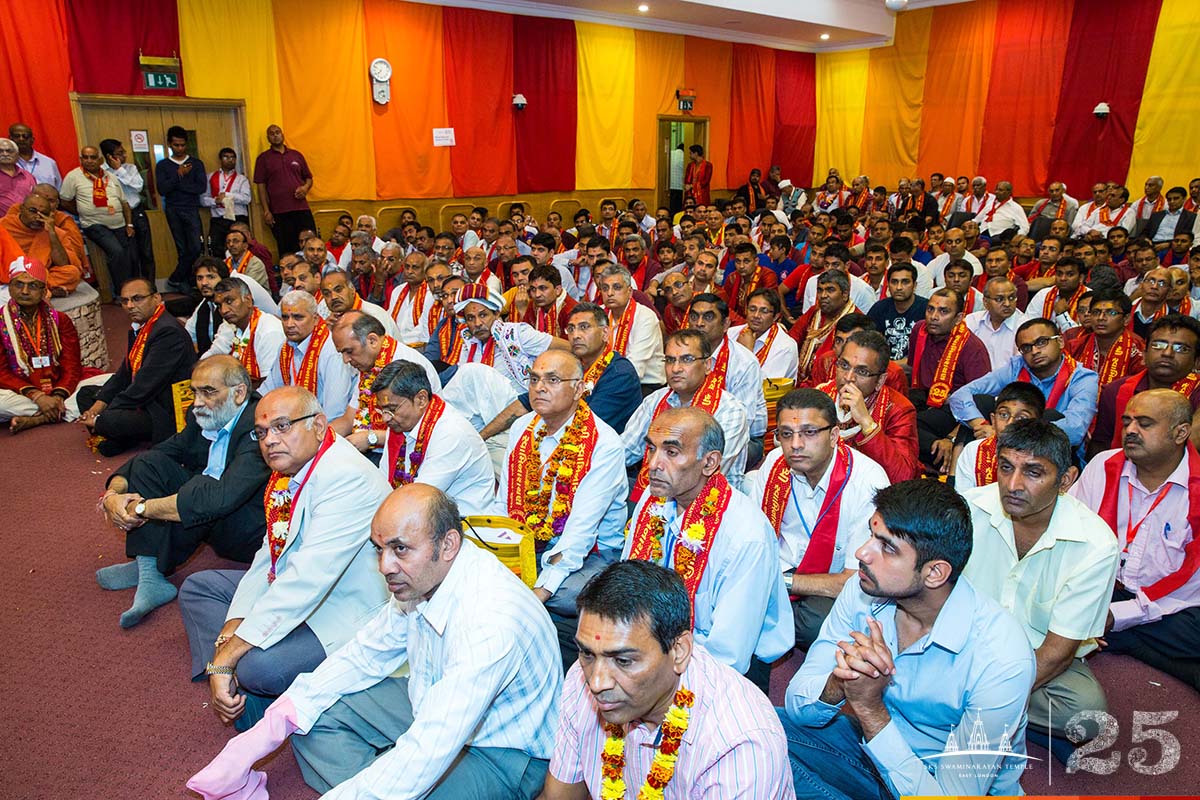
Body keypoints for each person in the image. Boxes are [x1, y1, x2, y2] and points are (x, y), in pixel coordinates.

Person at [187, 484, 561, 800]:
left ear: (448, 545)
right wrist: (268, 729)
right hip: (429, 702)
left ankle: (388, 779)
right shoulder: (425, 575)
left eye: (399, 549)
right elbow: (363, 656)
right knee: (312, 720)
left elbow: (433, 743)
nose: (384, 566)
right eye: (379, 549)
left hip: (502, 752)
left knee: (412, 770)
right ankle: (386, 779)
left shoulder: (490, 620)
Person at [780, 479, 1035, 798]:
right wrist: (838, 683)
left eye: (887, 547)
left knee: (772, 776)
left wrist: (870, 708)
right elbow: (797, 708)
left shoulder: (1002, 656)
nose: (862, 552)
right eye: (872, 535)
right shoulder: (862, 595)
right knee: (761, 729)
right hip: (869, 750)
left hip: (937, 782)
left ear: (934, 573)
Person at [178, 385, 392, 732]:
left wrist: (229, 656)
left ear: (319, 426)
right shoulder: (289, 472)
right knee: (198, 588)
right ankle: (242, 688)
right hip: (295, 587)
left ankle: (241, 690)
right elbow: (269, 555)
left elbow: (306, 581)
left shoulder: (345, 477)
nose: (269, 441)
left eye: (282, 426)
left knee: (257, 668)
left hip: (340, 608)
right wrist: (232, 632)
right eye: (261, 432)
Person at [542, 560, 794, 799]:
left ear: (679, 651)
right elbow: (559, 795)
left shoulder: (738, 745)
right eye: (587, 653)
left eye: (623, 661)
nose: (596, 683)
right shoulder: (580, 678)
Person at [961, 420, 1118, 746]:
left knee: (1087, 717)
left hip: (1035, 657)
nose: (1012, 484)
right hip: (960, 644)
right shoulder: (966, 509)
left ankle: (961, 700)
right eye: (1005, 467)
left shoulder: (1096, 543)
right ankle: (996, 711)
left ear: (1065, 480)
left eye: (1033, 473)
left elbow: (1057, 655)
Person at [623, 406, 793, 685]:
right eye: (651, 449)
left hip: (725, 671)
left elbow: (729, 657)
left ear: (710, 463)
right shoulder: (653, 501)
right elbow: (629, 583)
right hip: (654, 644)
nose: (653, 464)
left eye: (671, 452)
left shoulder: (746, 535)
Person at [96, 355, 269, 628]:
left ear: (239, 393)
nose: (198, 402)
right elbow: (166, 449)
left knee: (201, 486)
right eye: (195, 391)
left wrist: (139, 509)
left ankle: (151, 567)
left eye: (208, 392)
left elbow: (222, 497)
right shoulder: (205, 412)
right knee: (148, 463)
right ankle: (149, 566)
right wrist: (113, 494)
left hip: (248, 528)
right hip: (212, 506)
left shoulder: (260, 426)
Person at [1071, 389, 1200, 689]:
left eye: (1144, 423)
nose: (1130, 430)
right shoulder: (1104, 466)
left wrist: (1116, 616)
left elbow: (1191, 584)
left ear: (1180, 432)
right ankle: (1139, 646)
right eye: (1127, 421)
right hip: (1106, 588)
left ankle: (1119, 638)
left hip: (1175, 605)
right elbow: (1071, 534)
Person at [750, 389, 890, 654]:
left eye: (809, 432)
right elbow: (755, 536)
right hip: (777, 571)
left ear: (834, 435)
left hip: (829, 587)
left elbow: (854, 579)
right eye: (786, 434)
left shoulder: (866, 481)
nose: (796, 444)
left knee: (818, 624)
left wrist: (780, 582)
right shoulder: (773, 465)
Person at [495, 350, 628, 619]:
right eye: (534, 379)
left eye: (552, 380)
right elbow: (504, 503)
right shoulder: (523, 428)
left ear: (578, 389)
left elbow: (581, 529)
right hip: (530, 540)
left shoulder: (604, 444)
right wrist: (496, 549)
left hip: (591, 552)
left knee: (567, 595)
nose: (540, 388)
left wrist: (541, 591)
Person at [77, 278, 197, 455]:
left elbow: (144, 386)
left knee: (109, 418)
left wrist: (105, 414)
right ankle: (121, 436)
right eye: (124, 301)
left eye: (137, 298)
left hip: (164, 409)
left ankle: (116, 434)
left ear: (156, 298)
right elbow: (124, 374)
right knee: (86, 395)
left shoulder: (167, 332)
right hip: (145, 398)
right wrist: (97, 407)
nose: (130, 305)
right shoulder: (142, 327)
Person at [624, 330, 751, 496]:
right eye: (670, 360)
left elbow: (704, 473)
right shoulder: (656, 400)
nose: (676, 368)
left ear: (707, 365)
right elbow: (625, 450)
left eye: (687, 359)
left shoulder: (729, 411)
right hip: (654, 489)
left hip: (710, 503)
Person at [950, 317, 1099, 448]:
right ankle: (955, 477)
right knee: (980, 403)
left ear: (1060, 341)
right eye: (1026, 348)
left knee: (1051, 416)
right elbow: (961, 395)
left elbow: (1075, 430)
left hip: (1053, 452)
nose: (1034, 351)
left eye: (1041, 342)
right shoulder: (1016, 367)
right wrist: (981, 425)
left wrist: (1005, 433)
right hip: (1005, 447)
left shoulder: (1083, 378)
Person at [368, 360, 493, 515]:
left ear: (421, 399)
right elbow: (384, 482)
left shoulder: (451, 432)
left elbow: (418, 500)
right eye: (382, 410)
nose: (385, 418)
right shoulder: (399, 424)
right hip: (422, 515)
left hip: (464, 524)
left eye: (392, 409)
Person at [328, 311, 440, 461]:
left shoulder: (406, 365)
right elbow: (349, 419)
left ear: (372, 340)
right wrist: (318, 436)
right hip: (376, 450)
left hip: (409, 453)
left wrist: (371, 438)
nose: (346, 360)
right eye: (342, 353)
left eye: (349, 351)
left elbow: (420, 431)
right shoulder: (369, 365)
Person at [814, 330, 919, 483]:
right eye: (844, 365)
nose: (848, 378)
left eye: (862, 371)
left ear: (880, 381)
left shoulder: (898, 409)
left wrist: (866, 422)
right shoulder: (821, 396)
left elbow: (902, 477)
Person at [1090, 314, 1200, 458]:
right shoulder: (1115, 390)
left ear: (1197, 361)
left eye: (1181, 348)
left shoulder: (1197, 391)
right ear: (1144, 353)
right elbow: (1101, 446)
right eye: (1158, 345)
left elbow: (1190, 446)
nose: (1167, 353)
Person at [907, 289, 990, 473]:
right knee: (894, 417)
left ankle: (944, 457)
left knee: (910, 426)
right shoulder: (919, 331)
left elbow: (981, 402)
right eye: (930, 309)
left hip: (957, 409)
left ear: (959, 318)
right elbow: (911, 367)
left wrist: (952, 438)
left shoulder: (972, 348)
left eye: (943, 311)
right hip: (924, 397)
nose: (934, 317)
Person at [0, 257, 83, 431]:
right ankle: (58, 411)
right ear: (10, 287)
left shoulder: (60, 320)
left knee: (109, 383)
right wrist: (37, 396)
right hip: (19, 391)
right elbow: (1, 372)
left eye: (32, 286)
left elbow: (72, 364)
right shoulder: (1, 321)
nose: (24, 291)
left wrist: (59, 394)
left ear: (44, 291)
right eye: (18, 284)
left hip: (58, 385)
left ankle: (39, 418)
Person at [259, 290, 356, 419]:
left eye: (298, 317)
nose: (289, 324)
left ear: (315, 319)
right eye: (285, 317)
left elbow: (335, 412)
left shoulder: (331, 350)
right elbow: (269, 389)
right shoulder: (286, 347)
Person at [59, 146, 135, 294]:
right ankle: (121, 293)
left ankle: (131, 289)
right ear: (81, 159)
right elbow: (64, 201)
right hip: (94, 224)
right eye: (85, 157)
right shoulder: (73, 176)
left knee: (129, 255)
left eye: (93, 157)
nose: (89, 161)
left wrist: (129, 224)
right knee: (117, 251)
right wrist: (84, 212)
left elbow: (125, 203)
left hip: (118, 223)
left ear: (100, 160)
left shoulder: (110, 176)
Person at [954, 381, 1045, 494]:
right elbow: (964, 499)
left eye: (1021, 418)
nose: (1010, 423)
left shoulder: (1044, 456)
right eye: (1003, 415)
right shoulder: (974, 450)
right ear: (993, 419)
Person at [201, 278, 285, 390]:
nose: (224, 310)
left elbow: (270, 385)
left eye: (229, 301)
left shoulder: (269, 331)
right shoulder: (236, 328)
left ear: (248, 300)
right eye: (219, 305)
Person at [597, 264, 665, 390]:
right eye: (605, 288)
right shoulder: (598, 315)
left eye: (616, 287)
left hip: (643, 385)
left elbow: (635, 368)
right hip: (603, 380)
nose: (610, 293)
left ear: (629, 292)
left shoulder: (645, 317)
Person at [156, 125, 207, 293]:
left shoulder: (196, 164)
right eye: (176, 145)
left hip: (191, 209)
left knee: (195, 247)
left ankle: (175, 278)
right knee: (182, 248)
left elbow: (200, 188)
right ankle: (185, 281)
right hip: (173, 210)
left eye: (182, 145)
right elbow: (162, 189)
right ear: (169, 144)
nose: (180, 148)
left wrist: (177, 184)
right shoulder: (163, 165)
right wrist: (179, 175)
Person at [0, 192, 83, 296]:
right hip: (9, 274)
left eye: (44, 214)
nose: (38, 217)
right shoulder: (4, 225)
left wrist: (52, 233)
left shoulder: (55, 232)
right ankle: (41, 290)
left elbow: (63, 263)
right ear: (21, 209)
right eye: (32, 211)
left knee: (72, 273)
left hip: (39, 275)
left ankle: (35, 289)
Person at [253, 125, 315, 258]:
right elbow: (261, 186)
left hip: (301, 208)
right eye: (271, 134)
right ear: (268, 138)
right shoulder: (263, 159)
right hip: (279, 212)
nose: (275, 135)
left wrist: (305, 188)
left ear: (282, 134)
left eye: (277, 132)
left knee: (310, 243)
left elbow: (309, 178)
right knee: (286, 247)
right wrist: (266, 210)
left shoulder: (296, 155)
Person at [1064, 287, 1144, 386]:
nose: (1101, 318)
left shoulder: (1137, 351)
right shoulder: (1075, 347)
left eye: (1111, 313)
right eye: (1096, 312)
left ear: (1126, 319)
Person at [791, 270, 858, 384]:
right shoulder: (814, 312)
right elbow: (792, 339)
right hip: (802, 380)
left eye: (830, 290)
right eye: (820, 290)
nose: (823, 296)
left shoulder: (855, 322)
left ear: (845, 294)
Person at [100, 138, 154, 276]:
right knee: (131, 255)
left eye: (123, 152)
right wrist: (116, 171)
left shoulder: (131, 168)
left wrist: (120, 170)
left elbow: (138, 186)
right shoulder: (101, 172)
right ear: (109, 156)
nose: (124, 155)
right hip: (119, 216)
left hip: (137, 212)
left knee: (146, 253)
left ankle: (150, 287)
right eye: (120, 153)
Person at [731, 287, 799, 382]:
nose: (756, 315)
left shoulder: (785, 346)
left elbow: (766, 386)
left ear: (776, 316)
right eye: (752, 309)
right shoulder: (731, 333)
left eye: (764, 311)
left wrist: (746, 352)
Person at [867, 263, 928, 364]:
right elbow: (867, 343)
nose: (899, 287)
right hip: (884, 369)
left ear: (915, 285)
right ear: (888, 285)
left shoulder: (927, 309)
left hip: (917, 368)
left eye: (905, 282)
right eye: (894, 282)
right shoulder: (879, 308)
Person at [965, 275, 1028, 370]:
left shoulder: (1026, 326)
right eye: (999, 299)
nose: (1007, 304)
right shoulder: (972, 321)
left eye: (1011, 298)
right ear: (985, 302)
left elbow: (1022, 368)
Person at [320, 268, 400, 340]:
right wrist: (327, 334)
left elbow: (386, 351)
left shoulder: (373, 315)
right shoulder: (327, 319)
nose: (333, 297)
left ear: (352, 289)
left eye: (338, 290)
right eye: (327, 294)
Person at [201, 147, 251, 256]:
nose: (230, 160)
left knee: (240, 249)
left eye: (233, 157)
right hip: (218, 219)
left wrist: (228, 196)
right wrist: (216, 201)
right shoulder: (210, 177)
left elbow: (247, 199)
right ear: (220, 159)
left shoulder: (241, 179)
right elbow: (203, 200)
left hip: (237, 218)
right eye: (226, 157)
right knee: (216, 248)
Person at [387, 251, 437, 346]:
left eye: (415, 267)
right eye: (407, 267)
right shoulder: (398, 291)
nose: (409, 271)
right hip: (395, 343)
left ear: (425, 270)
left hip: (417, 345)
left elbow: (422, 330)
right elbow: (390, 321)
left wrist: (399, 343)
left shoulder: (430, 294)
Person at [8, 123, 60, 189]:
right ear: (10, 139)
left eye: (25, 136)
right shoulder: (4, 164)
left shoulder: (49, 163)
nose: (21, 139)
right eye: (17, 136)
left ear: (32, 140)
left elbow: (58, 190)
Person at [0, 137, 36, 215]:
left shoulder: (28, 176)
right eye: (0, 151)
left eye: (9, 151)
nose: (5, 154)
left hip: (24, 223)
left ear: (17, 154)